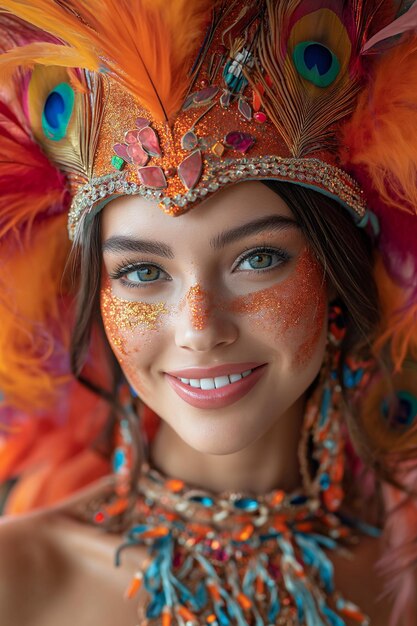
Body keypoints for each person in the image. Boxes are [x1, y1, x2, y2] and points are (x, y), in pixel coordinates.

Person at [0, 1, 416, 625]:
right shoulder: (19, 580)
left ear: (334, 272)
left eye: (258, 259)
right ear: (97, 293)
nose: (199, 329)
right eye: (143, 272)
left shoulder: (401, 580)